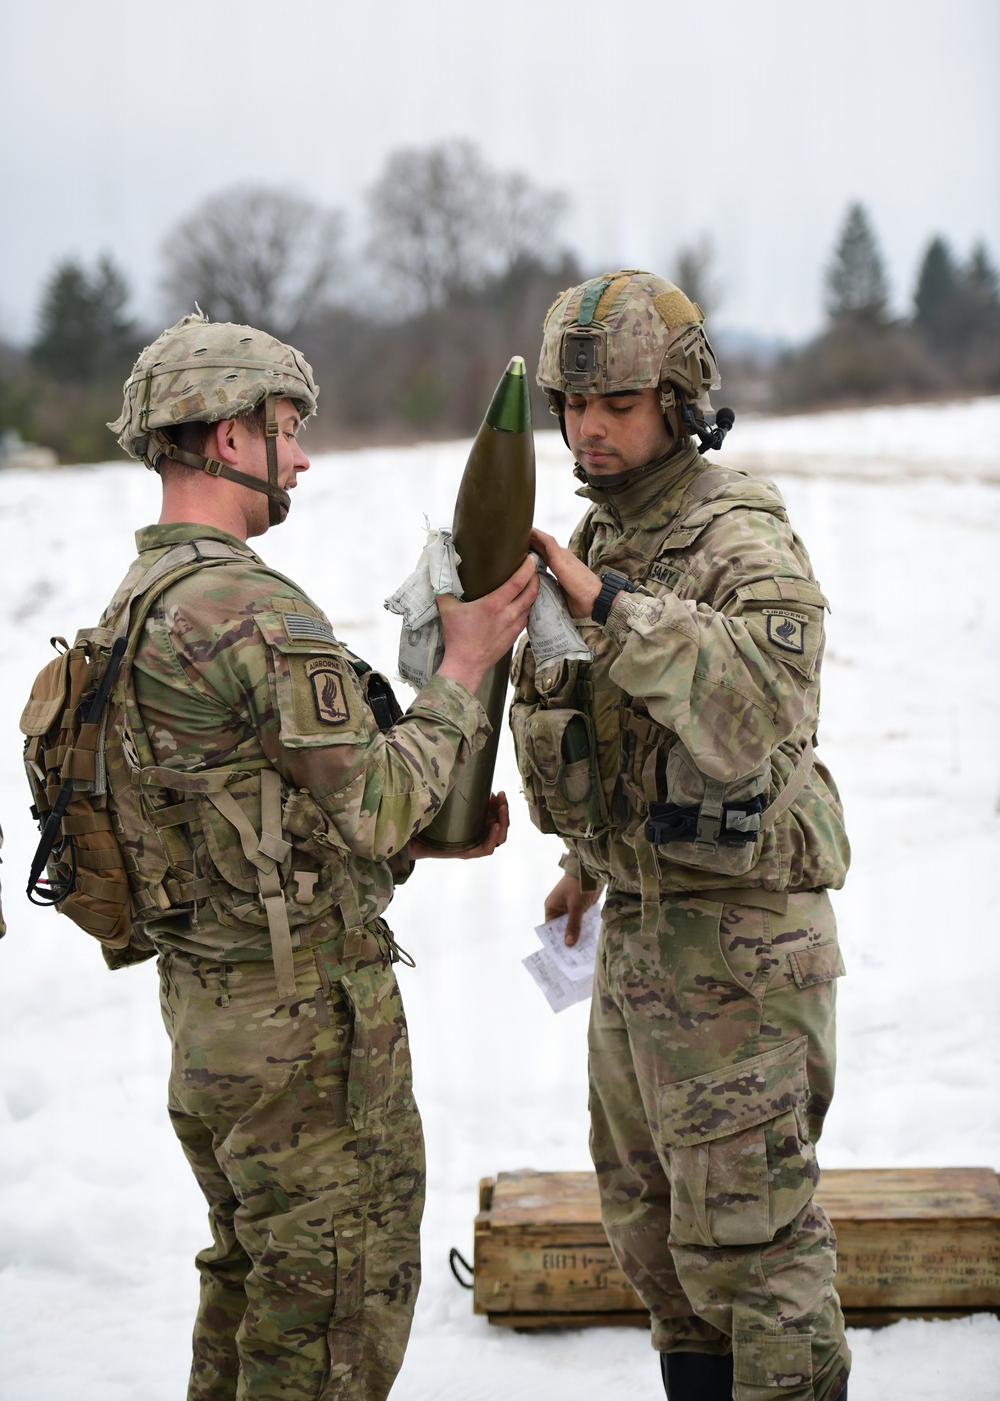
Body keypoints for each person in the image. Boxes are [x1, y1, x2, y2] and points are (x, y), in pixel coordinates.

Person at [98, 312, 537, 1401]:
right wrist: (466, 670)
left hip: (212, 1022)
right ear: (225, 436)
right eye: (286, 428)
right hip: (303, 1038)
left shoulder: (137, 603)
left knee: (256, 1296)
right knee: (338, 1313)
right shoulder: (250, 607)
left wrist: (418, 841)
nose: (301, 455)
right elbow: (379, 804)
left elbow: (247, 824)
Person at [510, 271, 851, 1401]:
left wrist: (609, 608)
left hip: (741, 950)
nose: (588, 427)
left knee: (753, 1251)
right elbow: (610, 736)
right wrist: (578, 870)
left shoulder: (735, 531)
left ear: (679, 397)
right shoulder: (599, 530)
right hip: (644, 940)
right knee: (657, 1244)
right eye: (573, 404)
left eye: (615, 402)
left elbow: (758, 713)